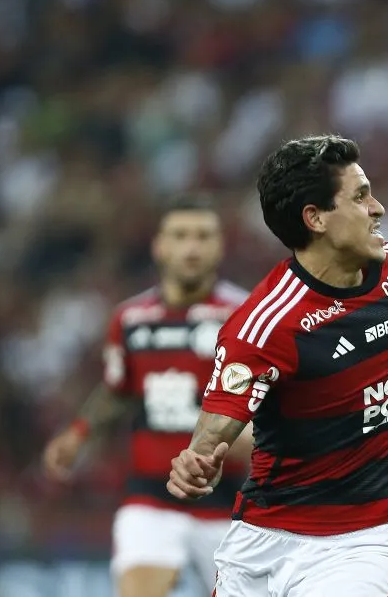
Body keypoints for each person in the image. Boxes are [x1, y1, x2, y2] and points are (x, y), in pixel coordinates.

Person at [165, 135, 388, 597]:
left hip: (364, 540)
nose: (379, 208)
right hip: (263, 541)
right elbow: (209, 442)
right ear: (315, 219)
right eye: (360, 196)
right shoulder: (264, 328)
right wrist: (193, 466)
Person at [42, 195, 253, 597]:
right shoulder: (130, 319)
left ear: (219, 246)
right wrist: (79, 432)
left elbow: (270, 401)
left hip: (231, 503)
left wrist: (253, 437)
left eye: (203, 236)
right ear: (160, 245)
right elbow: (119, 389)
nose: (191, 247)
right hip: (151, 497)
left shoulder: (246, 317)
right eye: (180, 235)